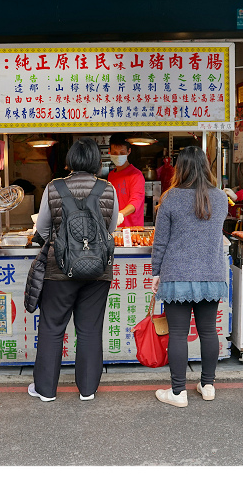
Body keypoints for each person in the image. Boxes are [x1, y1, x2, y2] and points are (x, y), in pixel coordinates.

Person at [28, 137, 120, 401]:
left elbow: (43, 228)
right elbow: (109, 229)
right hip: (98, 270)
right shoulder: (107, 188)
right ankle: (88, 389)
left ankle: (46, 390)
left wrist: (62, 243)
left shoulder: (54, 188)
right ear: (95, 161)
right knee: (90, 329)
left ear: (70, 160)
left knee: (52, 327)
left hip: (59, 270)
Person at [150, 146, 228, 407]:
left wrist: (156, 272)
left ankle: (178, 392)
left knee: (178, 334)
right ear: (205, 166)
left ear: (179, 168)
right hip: (211, 273)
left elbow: (160, 242)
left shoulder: (170, 197)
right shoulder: (219, 198)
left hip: (177, 275)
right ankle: (208, 385)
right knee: (208, 332)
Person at [107, 133, 146, 228]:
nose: (118, 155)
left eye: (122, 153)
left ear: (129, 151)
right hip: (115, 228)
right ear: (109, 152)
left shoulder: (136, 175)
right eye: (115, 153)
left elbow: (136, 201)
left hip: (133, 230)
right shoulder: (111, 176)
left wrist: (120, 214)